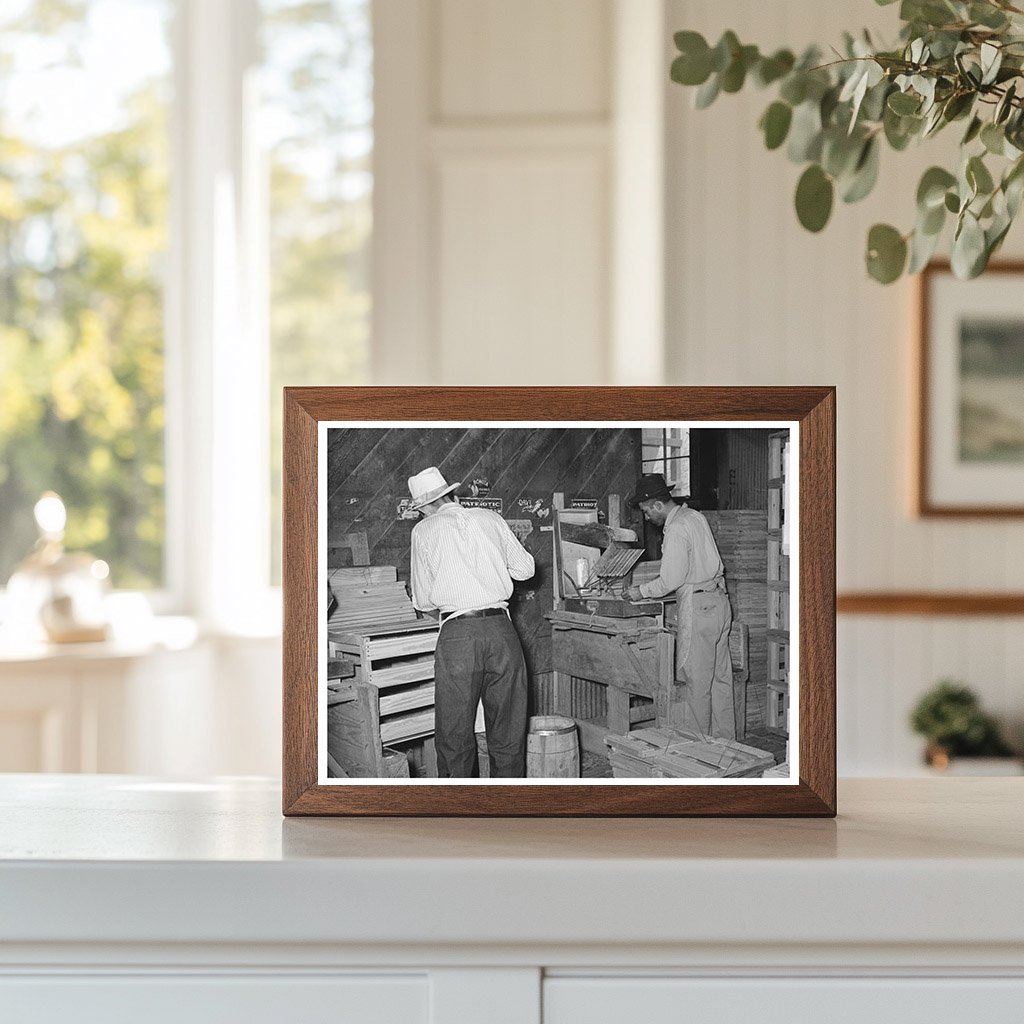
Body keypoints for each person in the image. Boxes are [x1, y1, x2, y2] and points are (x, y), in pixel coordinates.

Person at [408, 466, 535, 778]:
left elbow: (423, 600)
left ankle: (460, 813)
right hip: (502, 632)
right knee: (508, 733)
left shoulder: (423, 531)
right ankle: (508, 811)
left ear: (424, 507)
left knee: (455, 736)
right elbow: (526, 570)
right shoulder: (490, 518)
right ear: (450, 494)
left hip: (458, 635)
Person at [623, 473, 735, 740]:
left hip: (699, 607)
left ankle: (701, 752)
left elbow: (670, 580)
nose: (647, 517)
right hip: (719, 600)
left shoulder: (675, 530)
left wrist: (638, 592)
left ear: (658, 505)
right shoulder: (695, 517)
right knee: (721, 680)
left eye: (646, 511)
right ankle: (727, 746)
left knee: (698, 683)